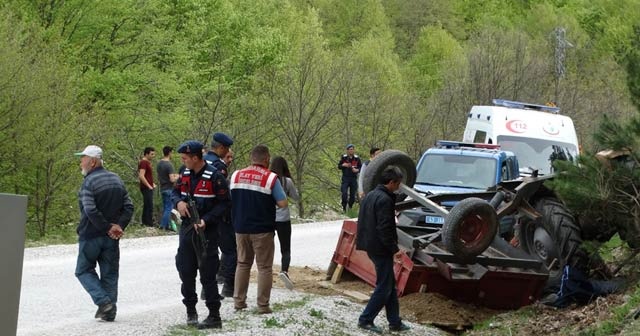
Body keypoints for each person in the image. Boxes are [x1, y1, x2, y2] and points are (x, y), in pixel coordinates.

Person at [171, 140, 231, 329]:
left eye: (185, 158)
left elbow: (225, 203)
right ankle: (191, 310)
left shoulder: (215, 176)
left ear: (195, 158)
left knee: (208, 274)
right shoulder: (185, 173)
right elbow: (174, 194)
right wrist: (178, 203)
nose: (183, 161)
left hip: (207, 232)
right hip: (187, 230)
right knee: (186, 271)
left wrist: (207, 219)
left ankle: (214, 315)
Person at [74, 145, 134, 322]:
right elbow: (129, 206)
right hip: (111, 238)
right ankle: (109, 311)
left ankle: (104, 302)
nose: (80, 163)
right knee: (110, 273)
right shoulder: (116, 179)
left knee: (83, 270)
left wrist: (108, 227)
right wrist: (118, 226)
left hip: (91, 235)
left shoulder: (89, 182)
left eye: (83, 159)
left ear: (93, 162)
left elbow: (90, 210)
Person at [230, 144, 287, 314]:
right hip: (262, 229)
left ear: (251, 157)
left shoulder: (236, 175)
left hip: (240, 227)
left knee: (242, 264)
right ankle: (263, 305)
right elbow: (283, 203)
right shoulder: (270, 178)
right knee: (264, 268)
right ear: (267, 158)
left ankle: (239, 302)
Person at [355, 167, 410, 334]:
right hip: (380, 247)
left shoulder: (370, 195)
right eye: (398, 184)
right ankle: (365, 320)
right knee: (384, 286)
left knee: (389, 285)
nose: (398, 187)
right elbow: (384, 228)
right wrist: (395, 249)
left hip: (370, 244)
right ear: (391, 182)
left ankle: (395, 322)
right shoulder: (385, 200)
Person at [203, 132, 236, 297]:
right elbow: (222, 194)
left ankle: (206, 289)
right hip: (219, 215)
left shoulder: (201, 161)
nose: (227, 152)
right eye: (227, 148)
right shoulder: (219, 166)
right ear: (221, 148)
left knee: (209, 252)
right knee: (230, 251)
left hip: (203, 215)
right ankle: (229, 287)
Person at [270, 156, 300, 290]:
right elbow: (296, 197)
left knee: (267, 247)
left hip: (269, 218)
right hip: (283, 219)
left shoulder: (268, 179)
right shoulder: (286, 181)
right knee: (285, 248)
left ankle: (266, 271)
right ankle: (284, 271)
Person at [157, 146, 178, 231]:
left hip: (162, 188)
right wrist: (178, 176)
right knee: (169, 208)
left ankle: (168, 225)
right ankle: (163, 225)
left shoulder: (159, 164)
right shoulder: (169, 165)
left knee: (166, 207)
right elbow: (172, 179)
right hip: (169, 188)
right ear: (169, 153)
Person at [338, 144, 362, 212]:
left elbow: (361, 168)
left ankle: (350, 207)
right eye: (350, 149)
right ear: (347, 150)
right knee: (344, 193)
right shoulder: (344, 157)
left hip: (353, 178)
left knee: (352, 196)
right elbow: (339, 166)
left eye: (352, 149)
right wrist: (344, 165)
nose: (351, 151)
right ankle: (344, 208)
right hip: (345, 178)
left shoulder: (357, 158)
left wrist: (357, 170)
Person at [138, 147, 156, 226]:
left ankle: (146, 222)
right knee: (149, 205)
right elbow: (141, 176)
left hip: (149, 186)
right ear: (146, 154)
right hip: (146, 187)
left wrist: (152, 183)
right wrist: (149, 186)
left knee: (148, 204)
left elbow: (148, 176)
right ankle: (148, 223)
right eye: (151, 154)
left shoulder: (147, 162)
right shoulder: (143, 162)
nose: (153, 156)